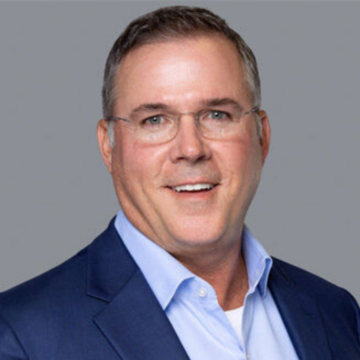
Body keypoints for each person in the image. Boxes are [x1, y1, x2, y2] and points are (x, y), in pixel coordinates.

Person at [0, 5, 359, 360]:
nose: (190, 149)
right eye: (155, 120)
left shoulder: (337, 313)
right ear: (109, 147)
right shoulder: (20, 335)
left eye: (217, 115)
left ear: (261, 137)